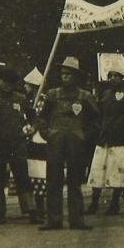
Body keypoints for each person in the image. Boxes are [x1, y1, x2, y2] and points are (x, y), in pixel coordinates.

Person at [36, 56, 99, 231]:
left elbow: (95, 121)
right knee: (53, 181)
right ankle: (53, 220)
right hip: (55, 142)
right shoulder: (52, 95)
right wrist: (47, 133)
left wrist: (84, 136)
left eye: (69, 74)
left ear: (76, 77)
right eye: (63, 73)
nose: (65, 76)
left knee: (75, 181)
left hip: (76, 143)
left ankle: (77, 219)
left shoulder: (85, 96)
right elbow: (42, 118)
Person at [0, 68, 39, 224]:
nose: (7, 85)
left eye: (10, 82)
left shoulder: (21, 99)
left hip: (18, 145)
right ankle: (0, 212)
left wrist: (33, 128)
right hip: (0, 146)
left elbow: (34, 117)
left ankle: (31, 210)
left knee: (23, 177)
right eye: (4, 82)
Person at [86, 55, 124, 215]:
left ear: (123, 78)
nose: (113, 79)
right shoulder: (105, 94)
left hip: (121, 137)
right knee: (98, 169)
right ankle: (94, 201)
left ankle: (115, 203)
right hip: (104, 136)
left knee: (117, 171)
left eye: (116, 76)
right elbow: (99, 114)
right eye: (111, 76)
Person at [22, 67, 47, 216]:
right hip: (30, 138)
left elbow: (42, 118)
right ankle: (31, 206)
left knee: (39, 172)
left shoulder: (42, 101)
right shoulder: (28, 101)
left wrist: (34, 126)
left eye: (27, 85)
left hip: (40, 138)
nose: (25, 87)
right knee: (31, 171)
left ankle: (40, 205)